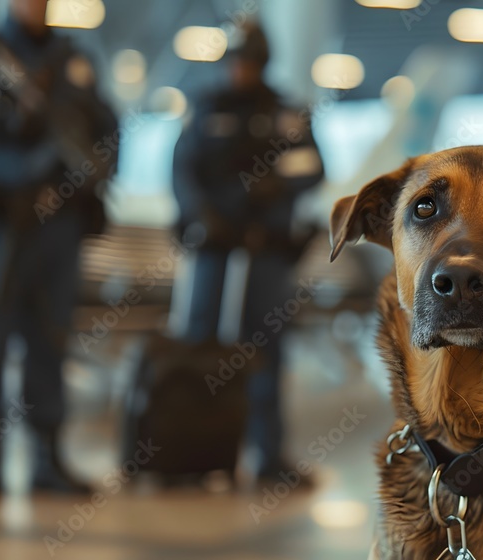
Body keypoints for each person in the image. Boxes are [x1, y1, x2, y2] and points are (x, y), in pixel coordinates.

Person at [0, 0, 117, 498]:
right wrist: (1, 118)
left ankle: (47, 461)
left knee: (49, 342)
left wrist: (89, 165)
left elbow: (108, 129)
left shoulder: (72, 57)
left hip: (58, 224)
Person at [172, 22, 323, 482]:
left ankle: (268, 458)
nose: (241, 72)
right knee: (201, 347)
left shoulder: (286, 113)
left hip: (267, 254)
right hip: (214, 251)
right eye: (236, 62)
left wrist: (275, 185)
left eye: (250, 63)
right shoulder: (205, 109)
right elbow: (182, 171)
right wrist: (202, 214)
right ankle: (196, 456)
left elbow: (312, 166)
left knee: (266, 352)